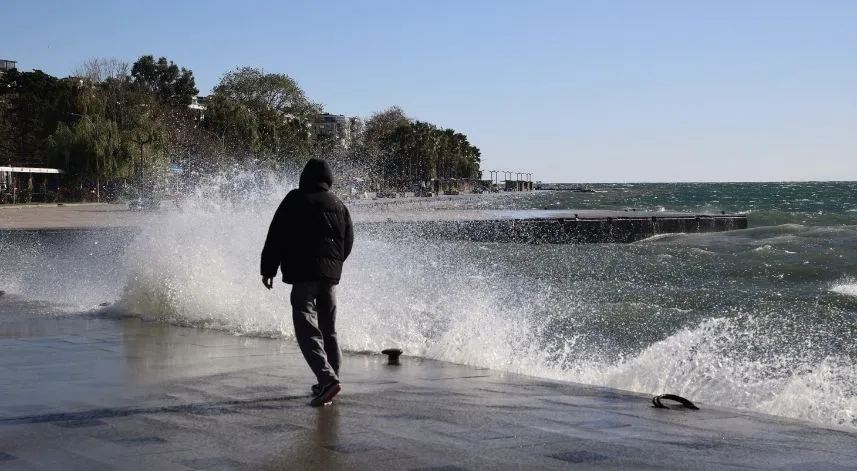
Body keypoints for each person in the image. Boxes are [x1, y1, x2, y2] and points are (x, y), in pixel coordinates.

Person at [261, 158, 354, 407]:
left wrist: (268, 269)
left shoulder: (295, 199)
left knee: (306, 328)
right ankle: (330, 378)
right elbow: (348, 243)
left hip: (304, 276)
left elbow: (276, 234)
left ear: (305, 177)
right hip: (329, 278)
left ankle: (327, 380)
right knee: (329, 330)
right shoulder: (339, 204)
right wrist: (333, 266)